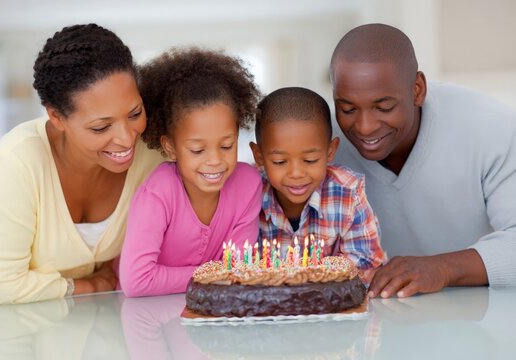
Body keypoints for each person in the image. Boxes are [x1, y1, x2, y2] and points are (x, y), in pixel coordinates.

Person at [0, 24, 163, 306]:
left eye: (135, 113)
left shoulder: (151, 157)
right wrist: (87, 285)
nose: (127, 138)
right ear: (57, 117)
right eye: (101, 127)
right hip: (11, 337)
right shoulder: (17, 161)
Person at [330, 23, 516, 298]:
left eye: (384, 107)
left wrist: (441, 268)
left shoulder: (491, 127)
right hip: (377, 324)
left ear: (417, 89)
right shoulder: (321, 144)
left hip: (483, 319)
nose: (365, 127)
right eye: (347, 109)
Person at [119, 48, 262, 297]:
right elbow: (137, 281)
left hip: (215, 319)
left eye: (227, 145)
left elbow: (241, 271)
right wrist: (216, 274)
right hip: (146, 318)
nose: (215, 161)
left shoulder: (248, 184)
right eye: (197, 150)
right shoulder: (158, 192)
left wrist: (225, 275)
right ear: (171, 147)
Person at [249, 87, 385, 270]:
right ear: (259, 156)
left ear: (330, 151)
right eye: (280, 162)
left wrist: (312, 274)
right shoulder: (248, 193)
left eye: (310, 160)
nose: (296, 173)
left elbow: (367, 260)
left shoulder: (348, 193)